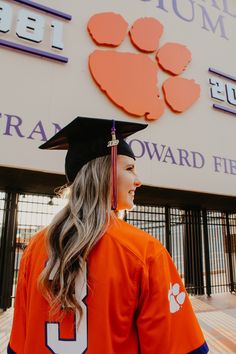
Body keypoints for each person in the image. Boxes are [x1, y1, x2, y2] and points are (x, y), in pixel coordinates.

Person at [8, 116, 209, 354]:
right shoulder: (144, 251)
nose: (138, 180)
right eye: (130, 168)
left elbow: (18, 345)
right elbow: (177, 347)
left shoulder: (36, 248)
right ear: (104, 173)